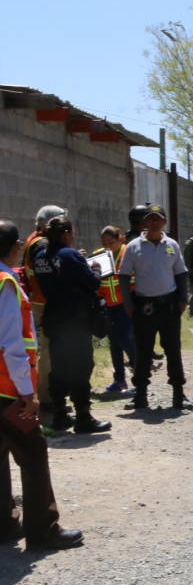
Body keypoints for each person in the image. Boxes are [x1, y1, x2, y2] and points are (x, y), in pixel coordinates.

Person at [0, 218, 85, 550]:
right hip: (9, 391)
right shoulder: (6, 283)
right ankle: (43, 529)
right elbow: (12, 345)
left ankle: (5, 525)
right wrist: (28, 393)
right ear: (14, 247)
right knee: (33, 455)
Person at [34, 217, 111, 433]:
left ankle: (60, 415)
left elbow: (57, 278)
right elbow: (93, 282)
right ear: (67, 233)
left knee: (58, 369)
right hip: (75, 322)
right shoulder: (70, 255)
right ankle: (83, 417)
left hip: (53, 320)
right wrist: (95, 267)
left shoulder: (40, 256)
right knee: (81, 367)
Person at [118, 204, 193, 411]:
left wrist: (183, 299)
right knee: (143, 352)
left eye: (157, 219)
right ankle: (140, 396)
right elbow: (123, 276)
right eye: (150, 219)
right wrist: (127, 303)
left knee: (173, 350)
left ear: (164, 222)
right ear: (144, 222)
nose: (153, 223)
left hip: (169, 306)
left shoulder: (172, 245)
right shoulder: (134, 246)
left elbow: (181, 273)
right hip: (144, 308)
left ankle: (179, 395)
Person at [23, 205, 67, 409]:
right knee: (50, 350)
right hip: (47, 302)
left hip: (41, 300)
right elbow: (51, 269)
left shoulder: (33, 239)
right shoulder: (42, 244)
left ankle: (49, 393)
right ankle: (48, 397)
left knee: (49, 349)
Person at [92, 226, 135, 393]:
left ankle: (138, 367)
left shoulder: (128, 253)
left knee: (124, 338)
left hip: (125, 304)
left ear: (120, 238)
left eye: (111, 242)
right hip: (108, 305)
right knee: (114, 343)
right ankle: (119, 380)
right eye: (104, 243)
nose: (108, 246)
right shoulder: (99, 254)